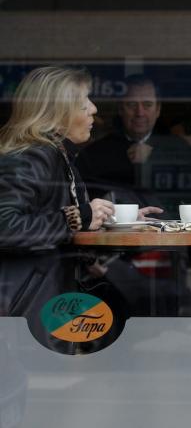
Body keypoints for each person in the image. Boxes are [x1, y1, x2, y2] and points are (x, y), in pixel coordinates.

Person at [0, 66, 147, 351]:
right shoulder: (32, 157)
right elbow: (5, 228)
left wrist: (108, 222)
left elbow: (64, 229)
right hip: (21, 312)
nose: (94, 109)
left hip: (41, 305)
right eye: (83, 104)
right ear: (56, 113)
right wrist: (79, 218)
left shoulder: (57, 155)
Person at [77, 74, 191, 218]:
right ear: (121, 109)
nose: (140, 113)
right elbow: (84, 200)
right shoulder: (95, 153)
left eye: (147, 105)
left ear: (158, 109)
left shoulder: (179, 148)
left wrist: (156, 158)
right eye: (132, 105)